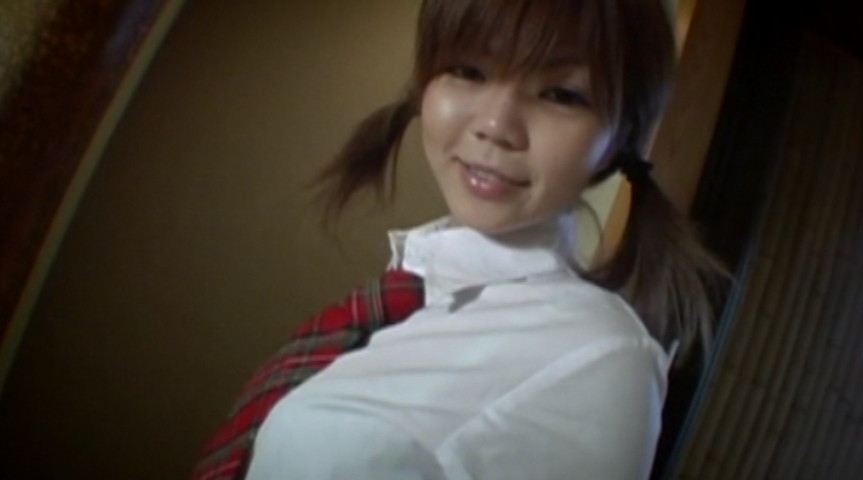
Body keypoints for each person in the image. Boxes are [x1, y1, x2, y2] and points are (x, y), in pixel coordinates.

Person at [192, 0, 727, 479]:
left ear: (618, 139)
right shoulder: (419, 285)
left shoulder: (600, 358)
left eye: (562, 94)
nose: (495, 125)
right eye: (468, 70)